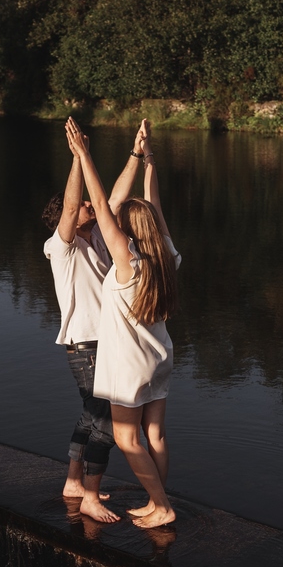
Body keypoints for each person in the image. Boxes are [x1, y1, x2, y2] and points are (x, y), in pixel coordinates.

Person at [64, 117, 180, 529]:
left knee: (129, 439)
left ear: (127, 233)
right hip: (161, 358)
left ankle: (162, 507)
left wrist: (84, 155)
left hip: (129, 368)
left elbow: (104, 204)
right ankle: (156, 501)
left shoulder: (127, 265)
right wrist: (149, 162)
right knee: (156, 437)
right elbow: (155, 207)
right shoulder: (165, 255)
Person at [43, 122, 146, 523]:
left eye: (88, 203)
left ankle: (74, 483)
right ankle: (89, 496)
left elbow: (115, 198)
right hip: (87, 346)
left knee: (91, 416)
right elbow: (71, 207)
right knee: (105, 421)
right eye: (85, 204)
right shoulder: (60, 247)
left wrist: (135, 154)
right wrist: (76, 158)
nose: (89, 204)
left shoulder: (100, 239)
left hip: (107, 344)